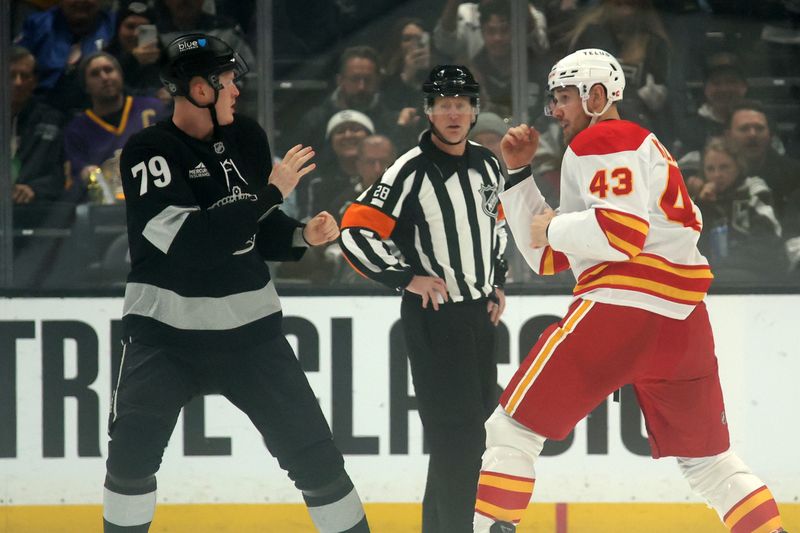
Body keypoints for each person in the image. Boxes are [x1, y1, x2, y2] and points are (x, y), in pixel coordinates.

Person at [473, 48, 786, 533]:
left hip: (620, 311)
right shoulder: (635, 147)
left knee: (512, 430)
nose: (554, 110)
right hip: (683, 324)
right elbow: (548, 256)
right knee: (709, 463)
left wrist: (553, 227)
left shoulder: (605, 137)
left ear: (597, 96)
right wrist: (518, 176)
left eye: (563, 97)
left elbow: (619, 234)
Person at [103, 33, 370, 533]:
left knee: (317, 459)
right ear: (199, 88)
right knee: (130, 462)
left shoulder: (246, 136)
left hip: (251, 336)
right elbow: (193, 244)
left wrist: (300, 234)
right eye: (227, 81)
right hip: (165, 338)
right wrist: (272, 192)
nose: (236, 90)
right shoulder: (149, 152)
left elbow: (255, 227)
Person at [340, 65, 508, 533]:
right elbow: (354, 230)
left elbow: (496, 224)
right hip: (435, 320)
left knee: (471, 439)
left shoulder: (488, 163)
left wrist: (497, 279)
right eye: (444, 105)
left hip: (479, 317)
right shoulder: (408, 170)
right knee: (459, 441)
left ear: (474, 110)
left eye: (461, 105)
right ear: (429, 112)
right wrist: (405, 277)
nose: (453, 114)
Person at [63, 51, 166, 203]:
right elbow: (77, 176)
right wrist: (86, 175)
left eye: (109, 70)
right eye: (95, 74)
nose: (104, 77)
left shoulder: (153, 109)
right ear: (86, 86)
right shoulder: (76, 130)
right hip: (108, 209)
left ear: (120, 75)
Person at [694, 137, 787, 283]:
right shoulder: (701, 200)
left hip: (756, 274)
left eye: (724, 167)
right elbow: (691, 247)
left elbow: (766, 243)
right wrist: (702, 207)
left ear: (738, 166)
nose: (717, 175)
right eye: (710, 169)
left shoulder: (755, 191)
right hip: (714, 273)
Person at [14, 0, 116, 113]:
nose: (81, 2)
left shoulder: (114, 25)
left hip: (100, 108)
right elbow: (15, 68)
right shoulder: (37, 24)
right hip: (41, 108)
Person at [724, 100, 800, 220]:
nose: (752, 134)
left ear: (770, 134)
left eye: (759, 128)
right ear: (728, 136)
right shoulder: (716, 173)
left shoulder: (795, 174)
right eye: (744, 129)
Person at [9, 46, 65, 206]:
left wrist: (34, 189)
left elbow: (60, 173)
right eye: (11, 76)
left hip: (37, 208)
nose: (18, 82)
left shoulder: (53, 120)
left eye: (25, 76)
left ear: (34, 81)